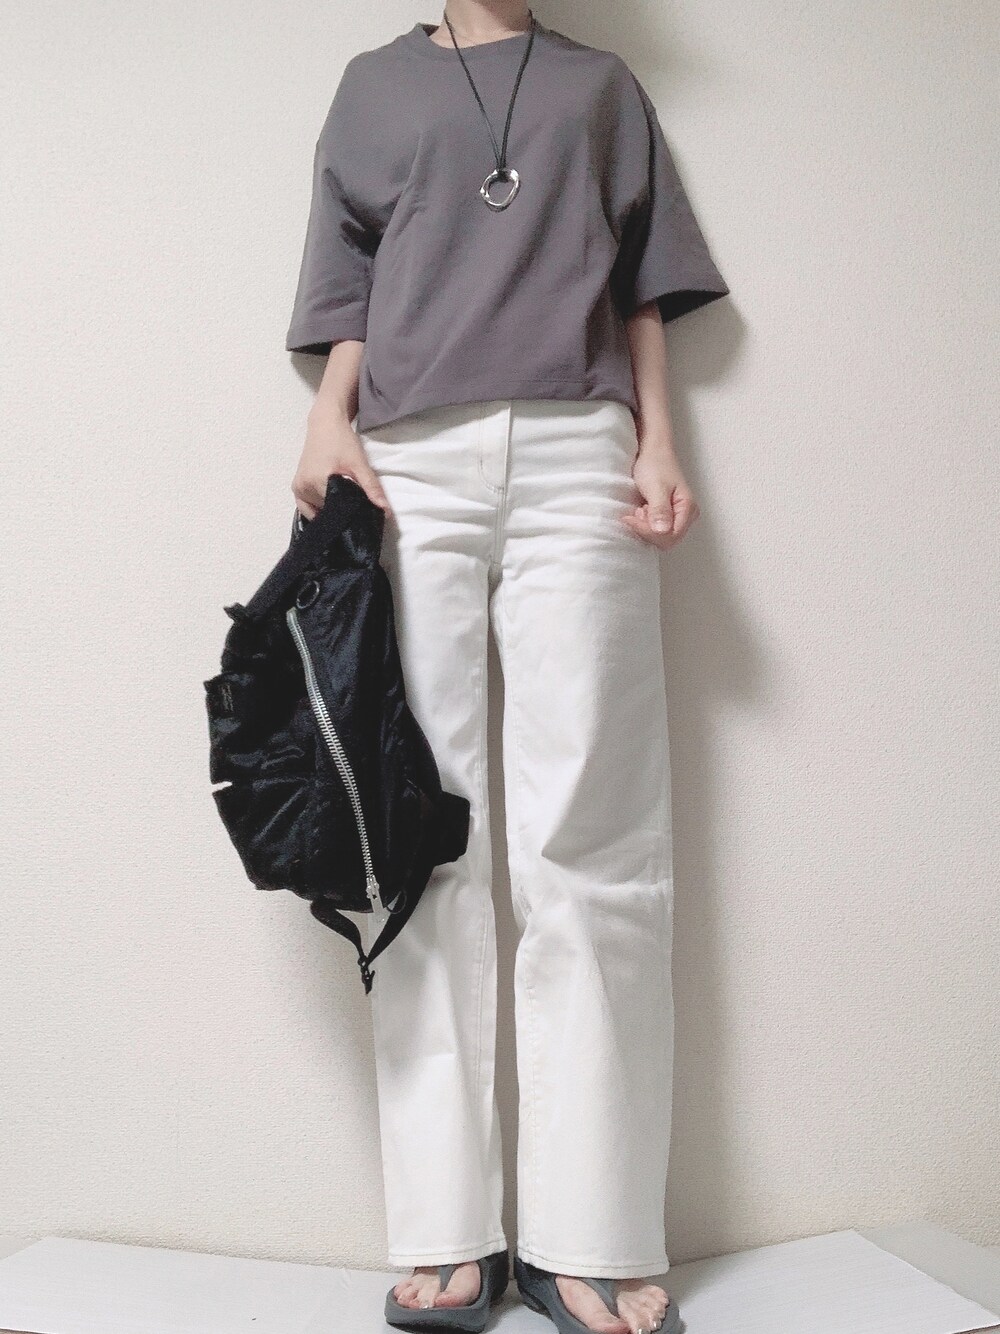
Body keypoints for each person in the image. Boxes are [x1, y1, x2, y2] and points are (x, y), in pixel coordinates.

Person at [284, 4, 730, 1332]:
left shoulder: (602, 86)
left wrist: (658, 439)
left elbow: (638, 280)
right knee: (419, 835)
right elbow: (350, 283)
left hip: (581, 450)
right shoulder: (370, 86)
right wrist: (326, 420)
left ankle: (592, 1231)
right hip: (408, 459)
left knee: (595, 834)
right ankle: (447, 1229)